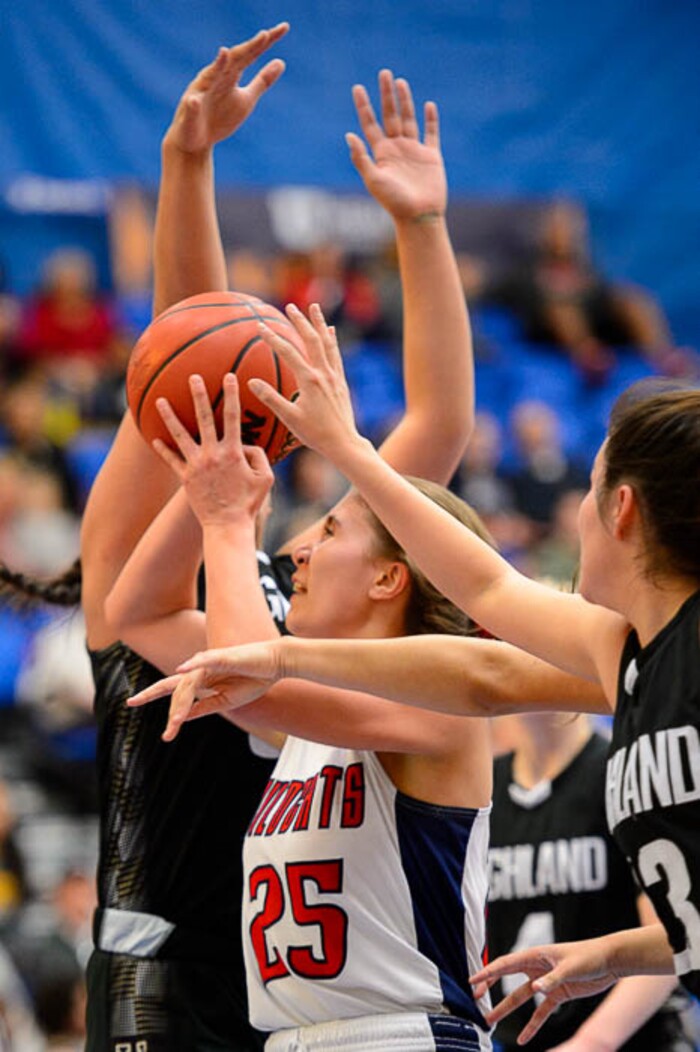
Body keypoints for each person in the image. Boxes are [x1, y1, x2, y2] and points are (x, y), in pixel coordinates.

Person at [1, 27, 500, 1050]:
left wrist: (420, 227)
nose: (317, 530)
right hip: (171, 957)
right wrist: (186, 168)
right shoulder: (162, 586)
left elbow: (437, 425)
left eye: (331, 524)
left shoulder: (305, 602)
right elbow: (196, 352)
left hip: (306, 976)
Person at [152, 305, 698, 1044]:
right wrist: (623, 951)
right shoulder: (630, 651)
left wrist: (262, 535)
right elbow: (488, 615)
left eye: (590, 493)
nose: (573, 517)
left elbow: (475, 653)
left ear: (623, 510)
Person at [487, 710, 692, 1051]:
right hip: (517, 1039)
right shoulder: (485, 787)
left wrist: (592, 1042)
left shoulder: (622, 774)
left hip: (630, 1039)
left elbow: (672, 936)